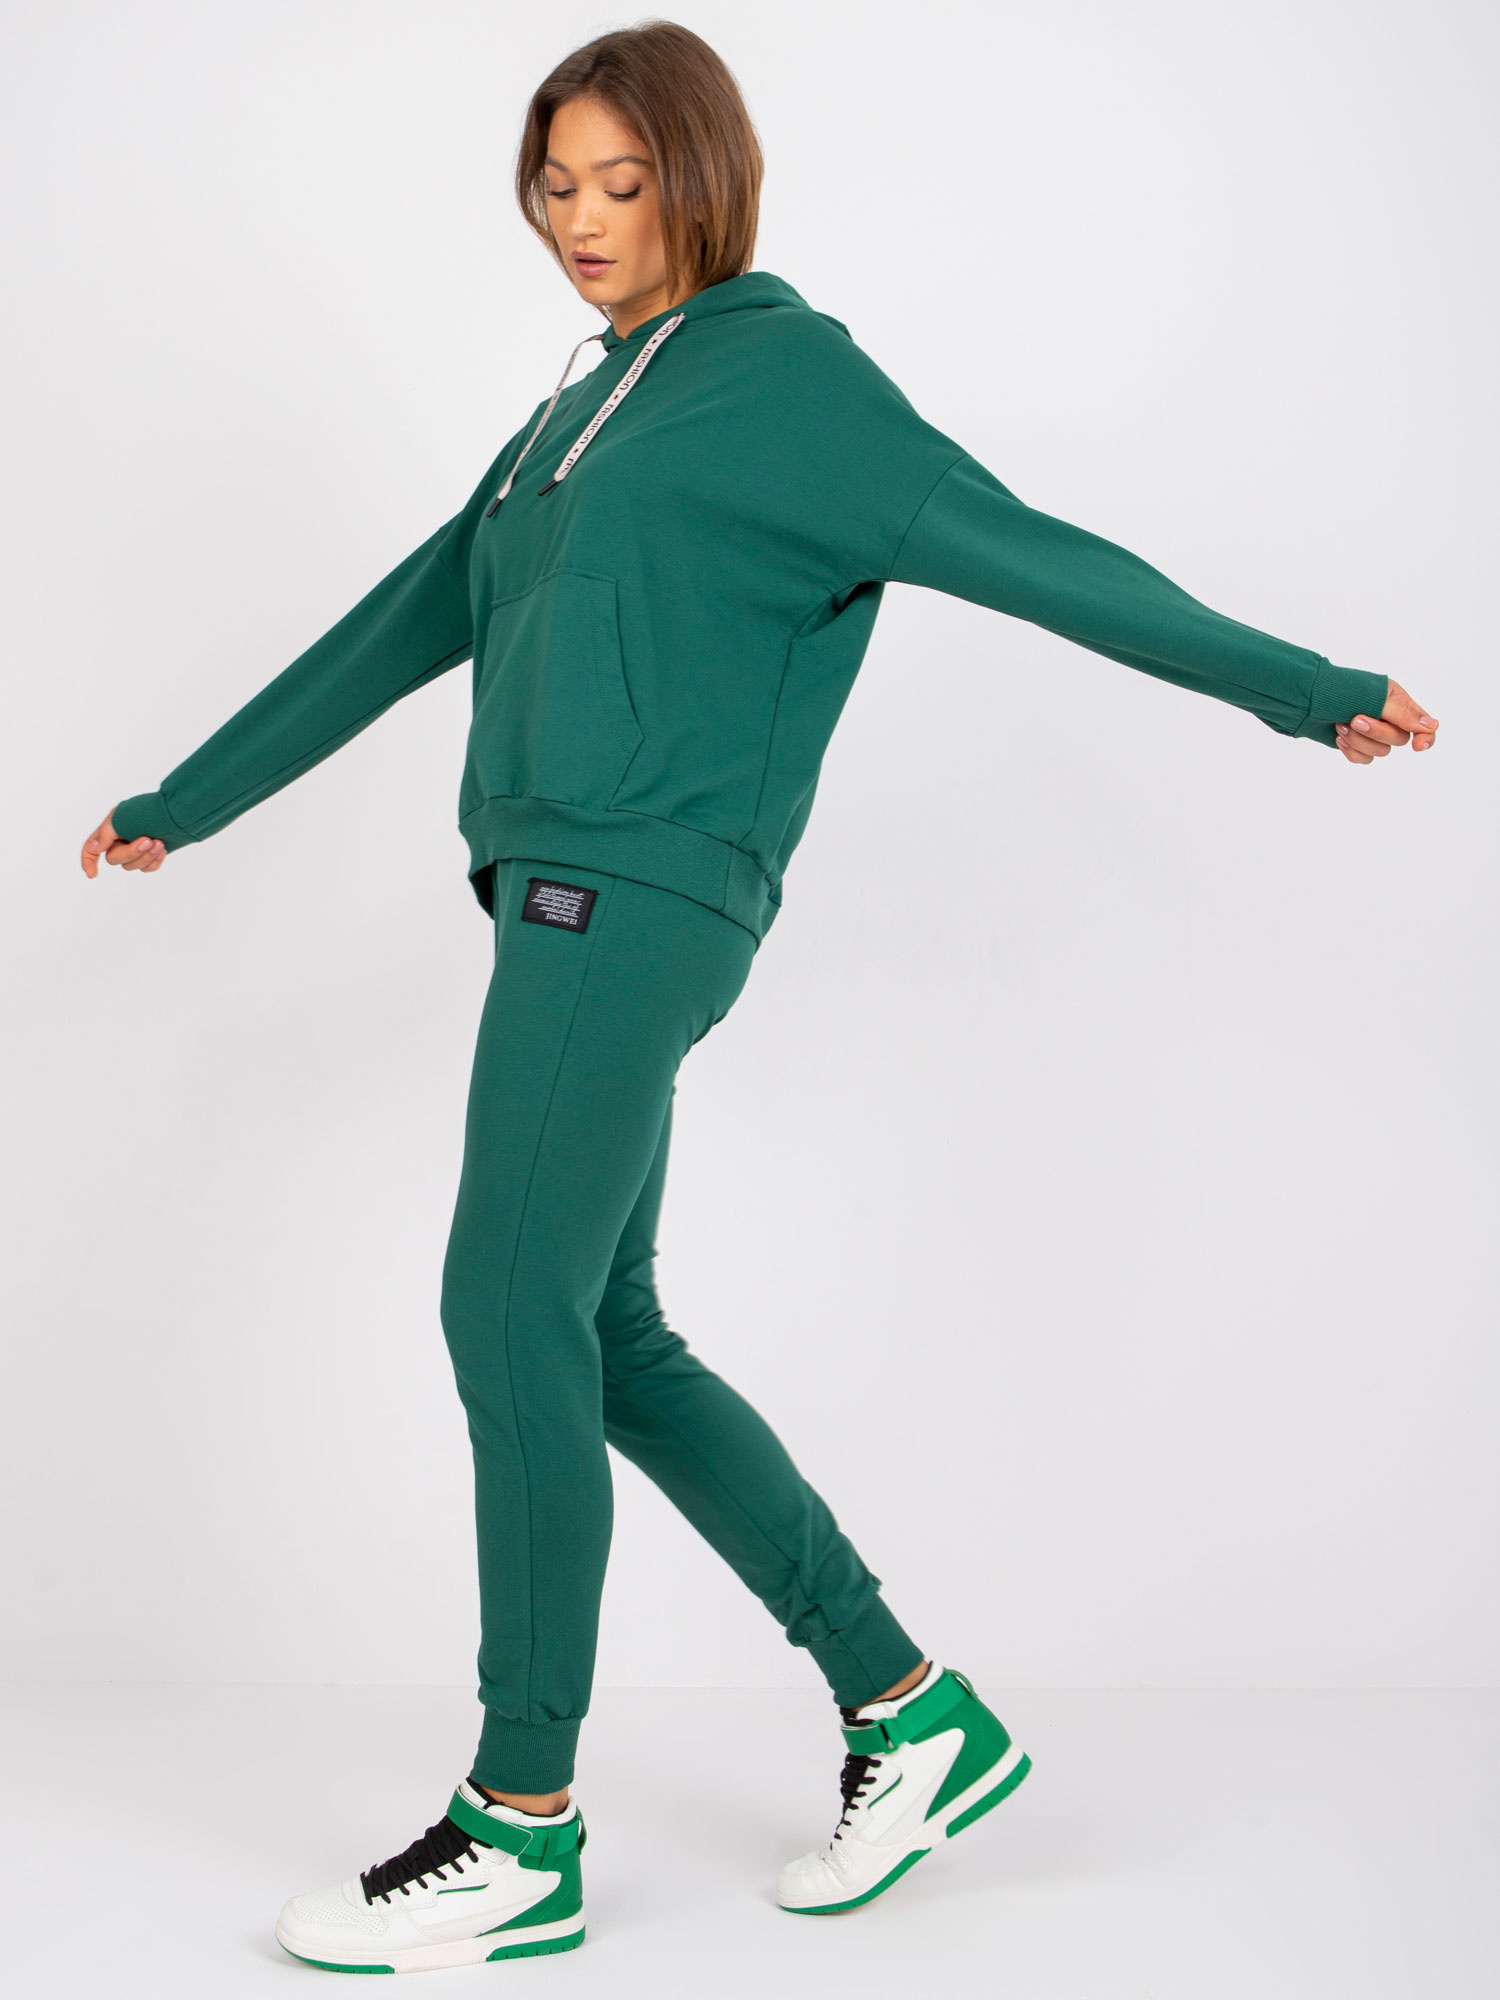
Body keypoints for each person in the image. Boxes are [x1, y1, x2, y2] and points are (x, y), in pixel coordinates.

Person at [80, 19, 1439, 1977]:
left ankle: (518, 1825)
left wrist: (1301, 687)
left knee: (500, 1307)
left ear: (704, 177)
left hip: (632, 887)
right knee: (601, 1331)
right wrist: (190, 798)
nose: (583, 220)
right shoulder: (576, 408)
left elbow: (1034, 555)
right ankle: (912, 1710)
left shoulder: (792, 384)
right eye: (556, 184)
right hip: (561, 893)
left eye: (624, 182)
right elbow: (414, 610)